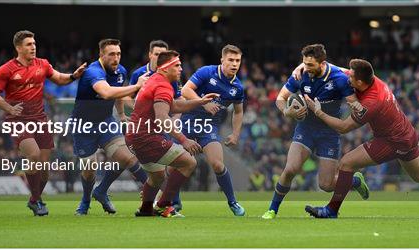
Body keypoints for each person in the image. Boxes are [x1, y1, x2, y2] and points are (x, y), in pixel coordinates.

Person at [302, 59, 419, 218]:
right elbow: (340, 71)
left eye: (352, 78)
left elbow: (343, 127)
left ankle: (332, 210)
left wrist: (318, 111)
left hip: (393, 141)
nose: (348, 79)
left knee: (347, 163)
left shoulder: (372, 103)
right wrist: (317, 65)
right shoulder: (372, 80)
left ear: (360, 82)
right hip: (407, 134)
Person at [261, 44, 369, 220]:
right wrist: (286, 111)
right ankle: (272, 209)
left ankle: (355, 181)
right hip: (306, 129)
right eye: (304, 63)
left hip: (329, 133)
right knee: (290, 169)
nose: (307, 68)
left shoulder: (339, 79)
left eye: (310, 65)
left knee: (326, 185)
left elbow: (353, 101)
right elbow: (281, 98)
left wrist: (357, 109)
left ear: (322, 63)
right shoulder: (300, 74)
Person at [0, 30, 87, 216]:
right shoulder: (6, 69)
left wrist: (74, 76)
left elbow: (59, 79)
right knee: (32, 155)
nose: (33, 47)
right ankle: (36, 200)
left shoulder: (43, 64)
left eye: (34, 43)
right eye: (28, 44)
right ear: (18, 48)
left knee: (44, 170)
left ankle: (35, 200)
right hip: (18, 120)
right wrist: (9, 109)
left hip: (40, 119)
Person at [125, 50, 217, 217]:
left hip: (134, 137)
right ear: (165, 68)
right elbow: (162, 118)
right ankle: (163, 205)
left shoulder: (155, 80)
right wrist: (184, 140)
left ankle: (145, 210)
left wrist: (199, 102)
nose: (181, 68)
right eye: (177, 65)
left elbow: (173, 106)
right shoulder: (162, 85)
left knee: (157, 177)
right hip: (147, 138)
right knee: (189, 163)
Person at [72, 39, 147, 215]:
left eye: (118, 54)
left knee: (127, 158)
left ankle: (155, 194)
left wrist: (120, 114)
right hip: (84, 125)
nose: (116, 58)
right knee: (89, 170)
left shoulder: (120, 71)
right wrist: (136, 86)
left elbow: (119, 93)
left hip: (106, 121)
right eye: (111, 54)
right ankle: (86, 200)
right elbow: (106, 92)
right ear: (101, 55)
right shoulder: (93, 72)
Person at [178, 44, 246, 216]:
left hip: (209, 127)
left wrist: (235, 134)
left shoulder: (237, 87)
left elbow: (238, 111)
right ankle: (174, 201)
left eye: (237, 60)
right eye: (230, 60)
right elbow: (185, 90)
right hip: (187, 123)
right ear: (222, 60)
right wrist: (205, 103)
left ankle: (233, 202)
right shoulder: (207, 72)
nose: (234, 64)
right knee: (176, 164)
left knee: (217, 164)